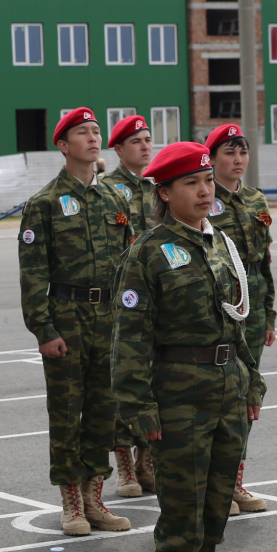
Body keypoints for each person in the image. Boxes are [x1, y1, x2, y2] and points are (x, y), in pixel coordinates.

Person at [111, 141, 266, 552]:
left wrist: (251, 384)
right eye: (192, 184)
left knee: (215, 513)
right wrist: (138, 411)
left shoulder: (220, 241)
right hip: (178, 400)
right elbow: (129, 340)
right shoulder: (149, 252)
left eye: (207, 181)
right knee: (183, 521)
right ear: (165, 192)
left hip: (226, 390)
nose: (205, 190)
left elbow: (236, 319)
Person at [17, 108, 134, 536]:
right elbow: (33, 275)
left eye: (96, 131)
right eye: (82, 132)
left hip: (110, 318)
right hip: (67, 315)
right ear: (63, 146)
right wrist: (44, 330)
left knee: (104, 409)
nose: (92, 137)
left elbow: (129, 264)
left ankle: (94, 495)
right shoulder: (45, 203)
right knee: (67, 411)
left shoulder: (114, 199)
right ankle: (70, 500)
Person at [206, 124, 275, 515]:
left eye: (242, 152)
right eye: (229, 153)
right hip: (219, 309)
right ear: (212, 158)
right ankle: (214, 483)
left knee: (248, 396)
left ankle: (235, 481)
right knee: (220, 397)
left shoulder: (255, 199)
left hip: (253, 307)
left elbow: (263, 263)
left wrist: (269, 316)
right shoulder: (202, 198)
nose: (237, 160)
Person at [105, 115, 157, 498]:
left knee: (155, 380)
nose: (144, 146)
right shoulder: (108, 190)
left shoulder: (160, 187)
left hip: (156, 296)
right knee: (122, 383)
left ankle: (148, 458)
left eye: (147, 139)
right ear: (119, 150)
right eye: (135, 141)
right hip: (120, 298)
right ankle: (124, 465)